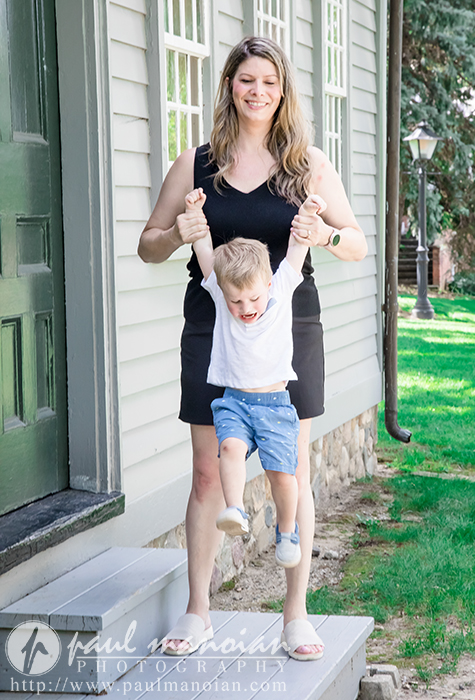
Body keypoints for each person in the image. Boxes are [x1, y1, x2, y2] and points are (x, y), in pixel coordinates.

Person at [138, 35, 367, 661]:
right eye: (246, 80)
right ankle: (198, 611)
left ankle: (296, 615)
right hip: (213, 332)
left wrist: (322, 233)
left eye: (268, 81)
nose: (257, 91)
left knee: (292, 469)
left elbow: (356, 244)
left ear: (283, 89)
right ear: (230, 88)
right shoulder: (197, 165)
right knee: (209, 471)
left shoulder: (307, 165)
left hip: (290, 332)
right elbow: (149, 243)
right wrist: (175, 234)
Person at [188, 188, 326, 570]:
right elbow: (204, 255)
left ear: (266, 285)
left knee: (283, 476)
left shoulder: (279, 288)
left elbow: (298, 246)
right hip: (233, 400)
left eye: (252, 299)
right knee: (229, 450)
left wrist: (309, 211)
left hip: (275, 406)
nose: (245, 308)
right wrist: (197, 217)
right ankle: (233, 509)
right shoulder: (221, 294)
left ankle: (286, 531)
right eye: (236, 301)